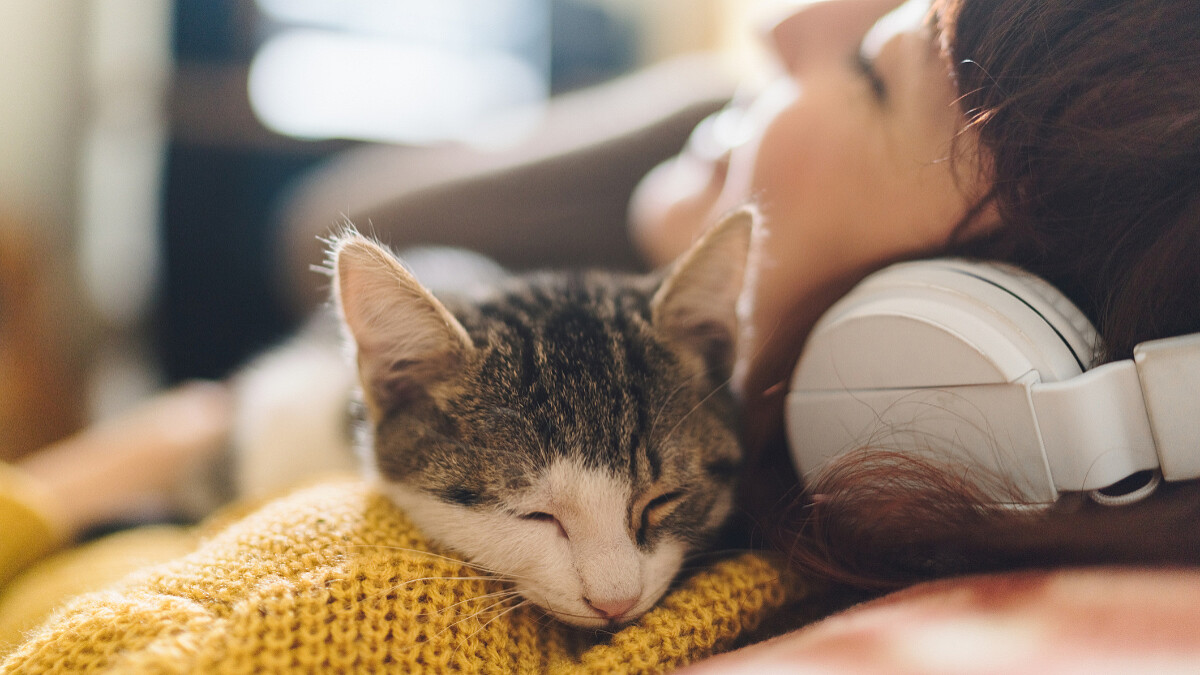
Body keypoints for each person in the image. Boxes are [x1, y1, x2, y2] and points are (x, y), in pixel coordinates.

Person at [4, 0, 1200, 668]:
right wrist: (734, 158)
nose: (784, 23)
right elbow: (333, 227)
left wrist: (89, 477)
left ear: (964, 348)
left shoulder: (342, 599)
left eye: (883, 72)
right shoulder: (701, 429)